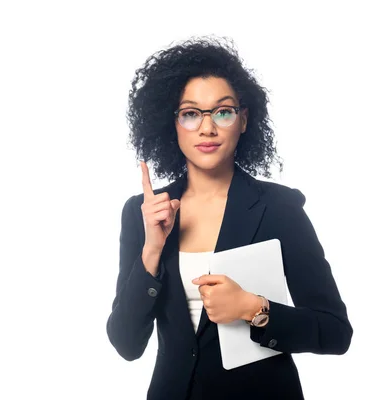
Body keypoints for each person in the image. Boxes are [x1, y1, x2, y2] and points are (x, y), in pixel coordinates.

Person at [106, 36, 352, 400]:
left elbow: (335, 333)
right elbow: (126, 344)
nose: (207, 128)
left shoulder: (279, 208)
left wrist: (254, 309)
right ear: (171, 123)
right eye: (190, 113)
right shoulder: (142, 212)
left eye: (222, 111)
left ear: (243, 119)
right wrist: (152, 251)